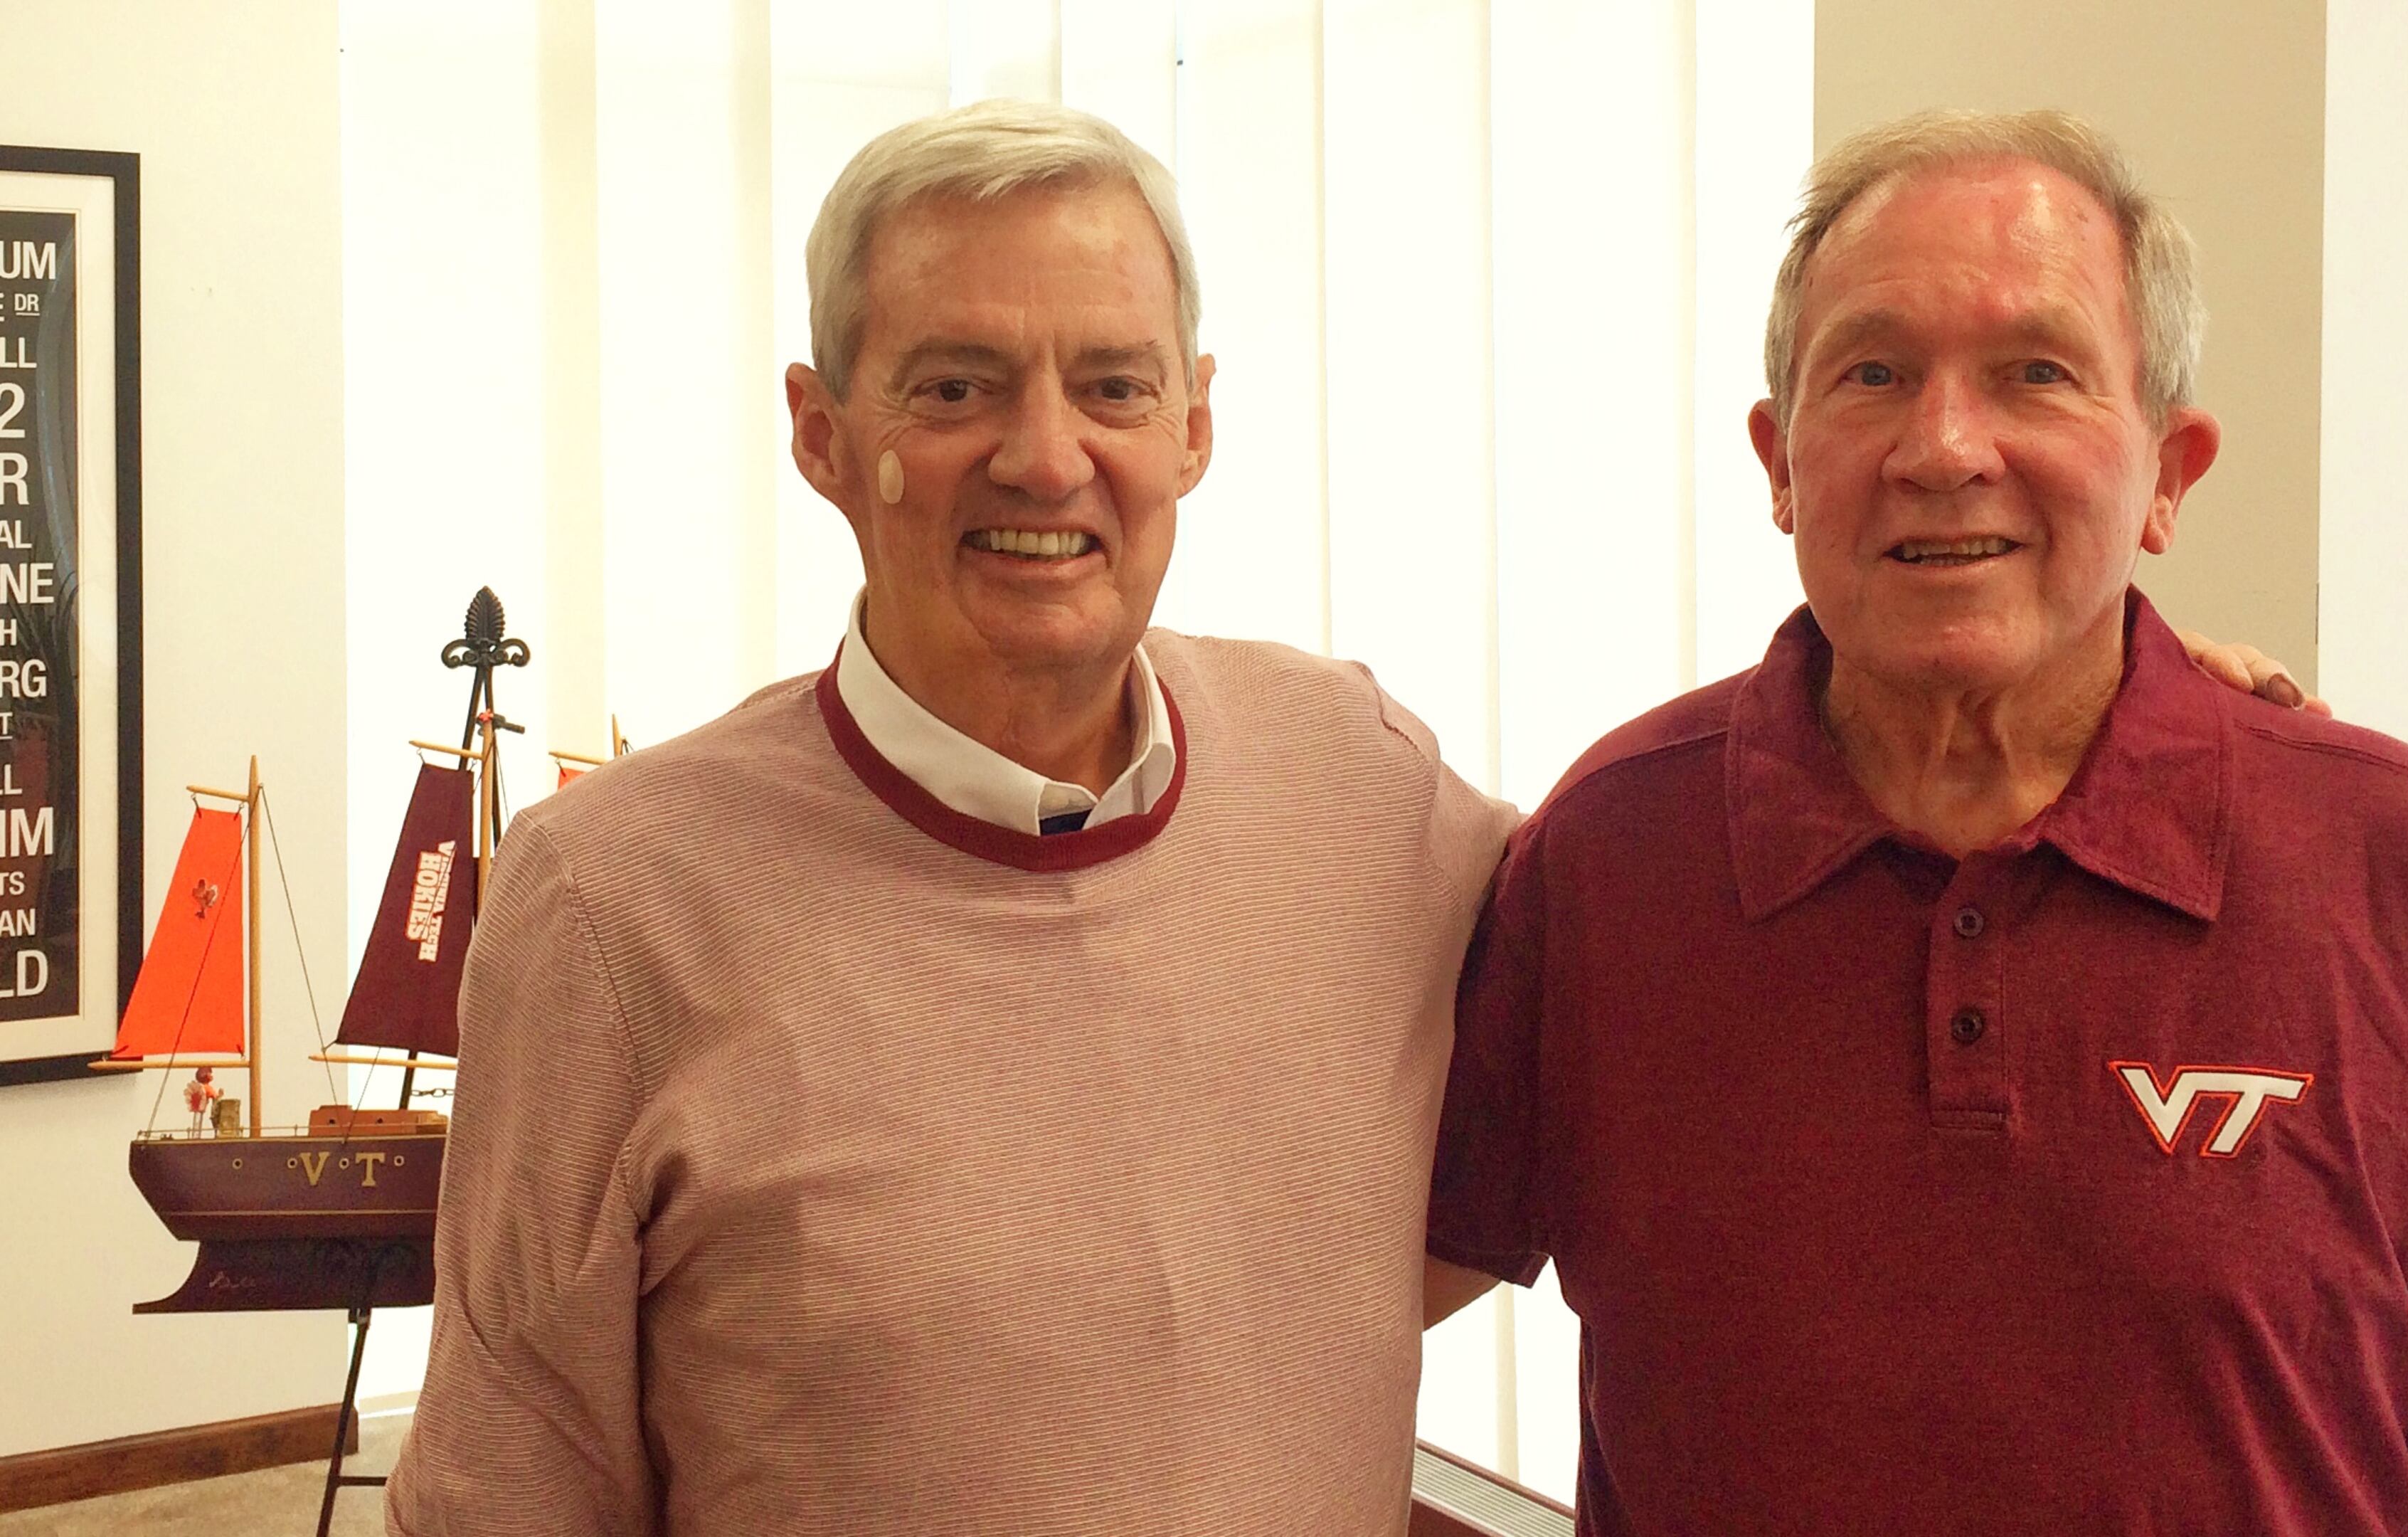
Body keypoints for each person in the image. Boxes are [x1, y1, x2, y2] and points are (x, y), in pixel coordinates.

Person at [386, 99, 2308, 1534]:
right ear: (824, 434)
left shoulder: (1352, 780)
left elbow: (1685, 949)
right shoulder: (615, 902)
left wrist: (2105, 693)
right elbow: (507, 1489)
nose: (1044, 456)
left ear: (1195, 429)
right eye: (957, 384)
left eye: (1110, 384)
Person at [1424, 108, 2408, 1536]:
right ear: (1777, 460)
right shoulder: (1608, 862)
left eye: (2035, 373)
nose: (1944, 446)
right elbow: (1304, 1297)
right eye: (1872, 373)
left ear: (2171, 472)